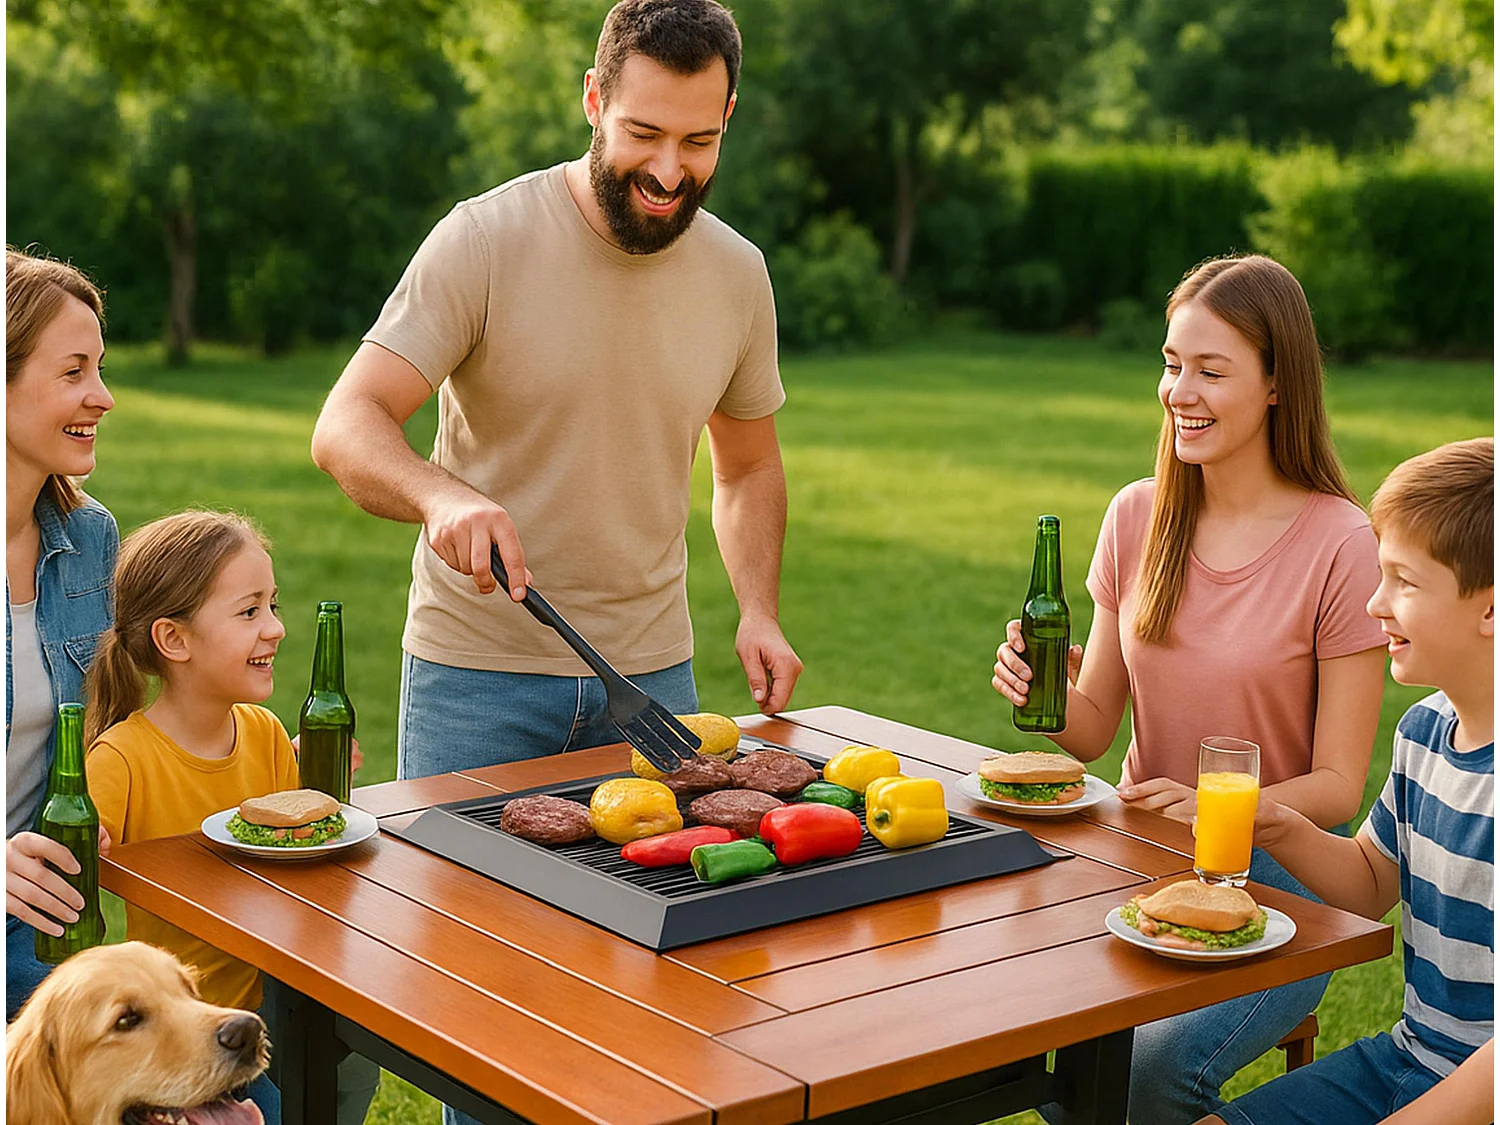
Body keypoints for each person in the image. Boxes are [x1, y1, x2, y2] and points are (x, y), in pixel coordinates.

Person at [310, 0, 802, 790]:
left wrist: (759, 610)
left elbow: (746, 467)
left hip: (655, 676)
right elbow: (346, 423)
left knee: (652, 906)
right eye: (644, 134)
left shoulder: (738, 274)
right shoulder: (484, 241)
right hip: (476, 677)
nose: (670, 171)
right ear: (594, 102)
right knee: (459, 915)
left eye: (698, 141)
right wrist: (440, 498)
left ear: (728, 116)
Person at [991, 254, 1389, 1124]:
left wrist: (1220, 811)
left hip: (1283, 884)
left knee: (1145, 1069)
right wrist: (1041, 682)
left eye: (1212, 371)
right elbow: (1093, 728)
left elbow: (1336, 786)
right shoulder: (1140, 513)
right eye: (1172, 364)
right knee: (1029, 1025)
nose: (1180, 391)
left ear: (1278, 384)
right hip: (1137, 856)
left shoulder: (1341, 543)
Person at [1201, 437, 1493, 1125]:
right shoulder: (1424, 731)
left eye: (1404, 582)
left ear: (1489, 609)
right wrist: (1282, 826)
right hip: (1409, 1058)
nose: (1374, 605)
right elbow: (1369, 879)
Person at [83, 510, 379, 1125]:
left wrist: (314, 800)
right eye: (249, 612)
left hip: (274, 999)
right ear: (174, 640)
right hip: (185, 1027)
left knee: (354, 1061)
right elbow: (80, 865)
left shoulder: (266, 734)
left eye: (273, 605)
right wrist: (93, 847)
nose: (276, 628)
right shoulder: (122, 759)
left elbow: (292, 863)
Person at [5, 247, 118, 1020]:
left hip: (54, 900)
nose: (103, 396)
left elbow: (115, 717)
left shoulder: (89, 539)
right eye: (73, 371)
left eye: (100, 368)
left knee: (251, 1084)